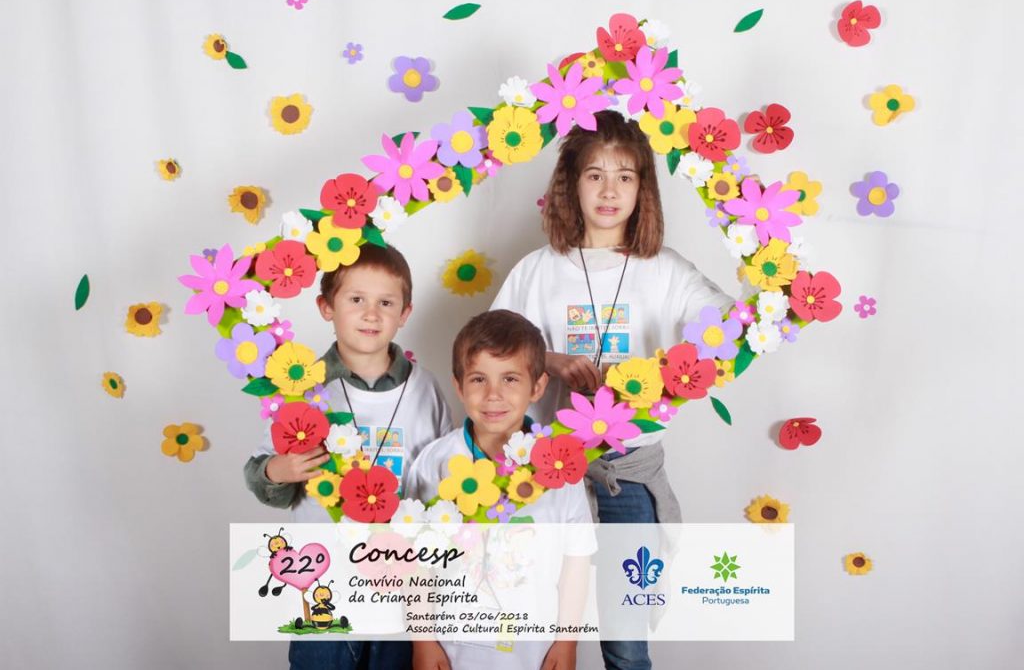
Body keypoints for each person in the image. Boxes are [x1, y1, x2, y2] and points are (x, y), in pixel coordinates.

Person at [490, 110, 734, 670]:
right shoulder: (537, 269)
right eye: (595, 175)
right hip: (549, 471)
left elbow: (731, 326)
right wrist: (548, 359)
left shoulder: (667, 270)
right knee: (538, 627)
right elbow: (490, 352)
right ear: (570, 184)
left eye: (625, 176)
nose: (609, 190)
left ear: (643, 187)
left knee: (625, 639)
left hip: (630, 472)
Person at [244, 243, 452, 670]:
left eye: (386, 303)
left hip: (400, 598)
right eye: (356, 299)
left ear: (405, 313)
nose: (371, 314)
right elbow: (260, 474)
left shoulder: (425, 388)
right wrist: (280, 470)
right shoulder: (304, 389)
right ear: (326, 307)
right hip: (324, 596)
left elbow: (443, 483)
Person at [406, 309, 595, 670]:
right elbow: (416, 565)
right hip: (451, 651)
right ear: (459, 386)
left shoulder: (559, 468)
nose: (493, 395)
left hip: (535, 653)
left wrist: (567, 642)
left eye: (510, 379)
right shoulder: (434, 463)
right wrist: (424, 642)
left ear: (537, 387)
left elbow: (576, 560)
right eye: (479, 379)